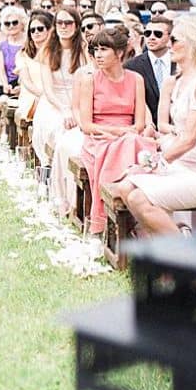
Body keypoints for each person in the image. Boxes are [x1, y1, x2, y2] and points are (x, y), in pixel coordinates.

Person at [107, 15, 196, 237]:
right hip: (184, 165)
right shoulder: (178, 81)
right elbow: (168, 127)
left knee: (138, 197)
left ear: (193, 43)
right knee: (125, 187)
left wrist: (156, 164)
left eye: (174, 39)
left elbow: (189, 139)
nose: (168, 44)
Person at [78, 26, 154, 235]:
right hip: (99, 137)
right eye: (96, 49)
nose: (98, 55)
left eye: (104, 49)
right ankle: (112, 218)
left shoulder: (136, 79)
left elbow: (139, 123)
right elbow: (86, 125)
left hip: (129, 134)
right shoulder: (90, 79)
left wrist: (125, 133)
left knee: (137, 145)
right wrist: (116, 133)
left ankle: (138, 215)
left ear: (119, 53)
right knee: (129, 144)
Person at [33, 6, 86, 169]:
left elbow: (88, 82)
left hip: (78, 100)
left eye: (68, 23)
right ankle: (53, 171)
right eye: (59, 23)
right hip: (54, 103)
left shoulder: (84, 50)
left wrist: (75, 109)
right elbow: (48, 90)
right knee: (58, 127)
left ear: (76, 26)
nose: (63, 26)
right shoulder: (47, 51)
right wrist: (64, 110)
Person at [124, 14, 175, 126]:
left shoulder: (180, 62)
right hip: (145, 128)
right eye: (147, 33)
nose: (151, 37)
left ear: (170, 37)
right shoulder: (131, 66)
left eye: (158, 34)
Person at [0, 6, 28, 99]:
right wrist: (5, 84)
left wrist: (22, 87)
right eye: (7, 23)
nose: (11, 26)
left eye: (15, 22)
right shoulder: (3, 45)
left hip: (25, 84)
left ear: (22, 23)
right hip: (8, 84)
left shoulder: (28, 43)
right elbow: (1, 69)